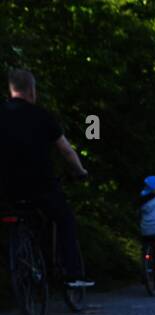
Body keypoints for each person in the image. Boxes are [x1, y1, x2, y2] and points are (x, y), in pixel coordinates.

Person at [0, 67, 93, 288]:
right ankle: (73, 274)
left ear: (10, 89)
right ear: (32, 91)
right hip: (40, 187)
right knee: (64, 220)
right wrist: (80, 172)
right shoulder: (43, 116)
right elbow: (66, 151)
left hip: (5, 189)